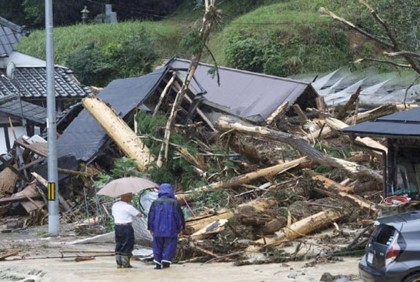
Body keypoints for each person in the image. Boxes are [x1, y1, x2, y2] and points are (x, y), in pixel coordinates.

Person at [147, 183, 185, 269]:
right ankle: (166, 261)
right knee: (170, 244)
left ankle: (157, 263)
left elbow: (151, 216)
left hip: (157, 229)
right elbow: (178, 216)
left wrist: (150, 227)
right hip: (171, 228)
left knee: (157, 245)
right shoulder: (174, 202)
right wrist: (181, 227)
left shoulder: (155, 202)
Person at [111, 192, 141, 268]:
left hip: (117, 227)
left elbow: (114, 214)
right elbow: (139, 215)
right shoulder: (128, 207)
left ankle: (119, 263)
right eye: (130, 197)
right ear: (126, 197)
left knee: (119, 243)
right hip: (126, 227)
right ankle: (125, 264)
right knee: (127, 244)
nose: (131, 198)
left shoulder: (115, 205)